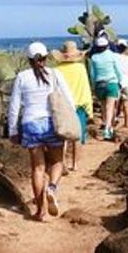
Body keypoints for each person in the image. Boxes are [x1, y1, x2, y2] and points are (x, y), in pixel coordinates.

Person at [6, 41, 75, 220]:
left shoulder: (22, 77)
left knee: (37, 168)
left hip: (30, 124)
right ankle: (52, 188)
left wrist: (13, 130)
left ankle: (40, 211)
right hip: (52, 123)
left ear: (29, 60)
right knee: (58, 162)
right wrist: (72, 121)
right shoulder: (55, 74)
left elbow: (14, 106)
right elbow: (69, 99)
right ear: (45, 58)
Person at [52, 40, 93, 172]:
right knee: (78, 136)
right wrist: (89, 109)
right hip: (79, 105)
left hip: (63, 106)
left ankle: (62, 162)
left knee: (62, 135)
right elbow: (85, 88)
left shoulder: (56, 70)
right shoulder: (80, 68)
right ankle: (75, 164)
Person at [87, 34, 126, 141]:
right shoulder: (113, 56)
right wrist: (120, 82)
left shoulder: (94, 58)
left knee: (104, 108)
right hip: (111, 83)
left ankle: (106, 125)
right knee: (110, 107)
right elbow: (118, 71)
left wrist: (94, 86)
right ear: (107, 46)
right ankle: (108, 129)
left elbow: (92, 74)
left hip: (99, 84)